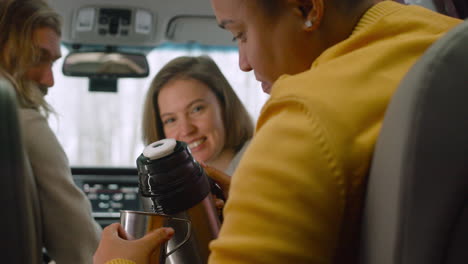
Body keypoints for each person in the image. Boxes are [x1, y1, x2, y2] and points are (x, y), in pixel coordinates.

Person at [94, 0, 462, 263]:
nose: (243, 62)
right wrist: (263, 207)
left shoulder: (301, 121)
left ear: (305, 9)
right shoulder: (449, 43)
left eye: (240, 34)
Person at [0, 0, 101, 263]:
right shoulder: (21, 124)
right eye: (37, 58)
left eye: (52, 63)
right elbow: (85, 252)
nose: (50, 80)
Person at [141, 55, 254, 176]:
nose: (186, 130)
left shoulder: (260, 162)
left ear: (224, 105)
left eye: (196, 109)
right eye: (171, 120)